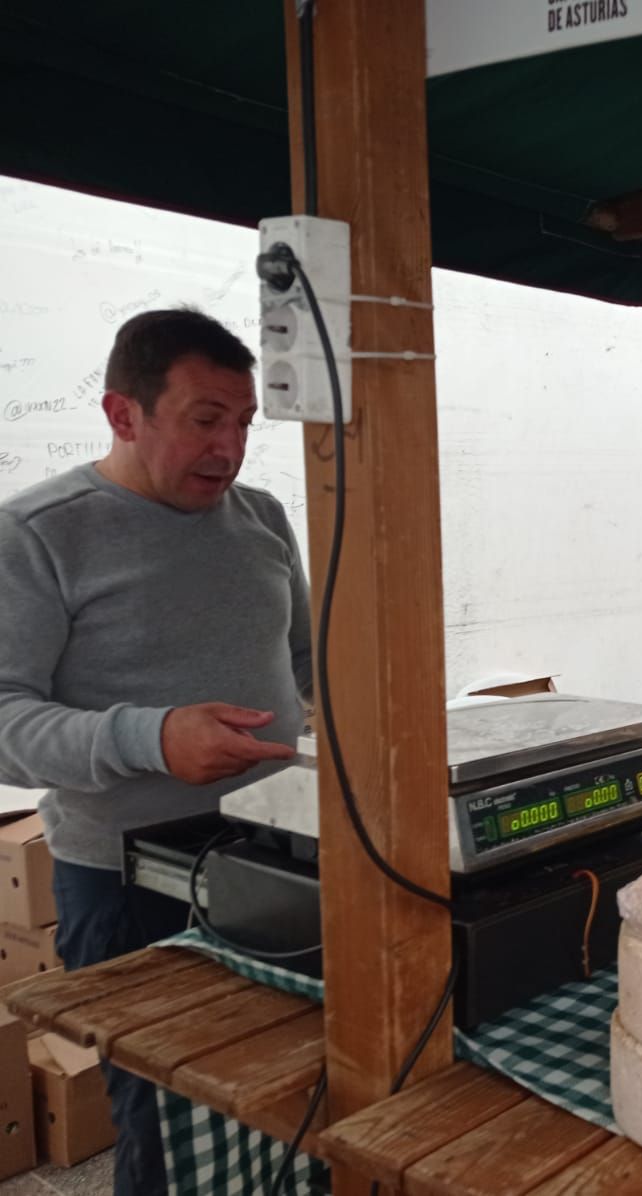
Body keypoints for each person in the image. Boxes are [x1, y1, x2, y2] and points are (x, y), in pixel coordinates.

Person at [0, 308, 310, 1196]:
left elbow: (304, 658)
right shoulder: (37, 534)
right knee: (167, 1117)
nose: (230, 448)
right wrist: (153, 736)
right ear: (123, 413)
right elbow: (5, 718)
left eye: (245, 422)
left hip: (276, 854)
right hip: (128, 881)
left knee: (287, 1091)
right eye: (205, 419)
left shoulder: (261, 517)